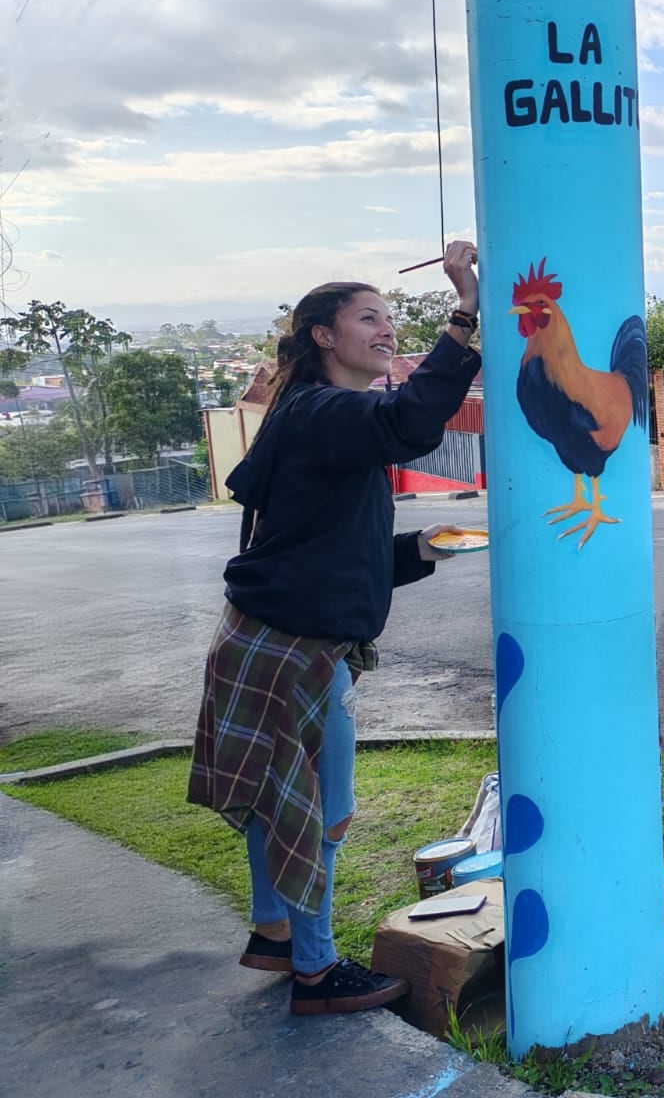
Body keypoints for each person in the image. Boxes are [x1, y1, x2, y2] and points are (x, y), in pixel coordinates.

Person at [187, 241, 483, 1015]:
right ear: (323, 335)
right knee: (319, 811)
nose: (387, 330)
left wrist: (419, 550)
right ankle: (316, 974)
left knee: (273, 798)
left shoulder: (314, 417)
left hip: (269, 639)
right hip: (296, 651)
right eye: (369, 319)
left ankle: (276, 934)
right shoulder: (325, 411)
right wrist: (463, 312)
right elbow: (412, 421)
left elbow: (330, 551)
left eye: (389, 318)